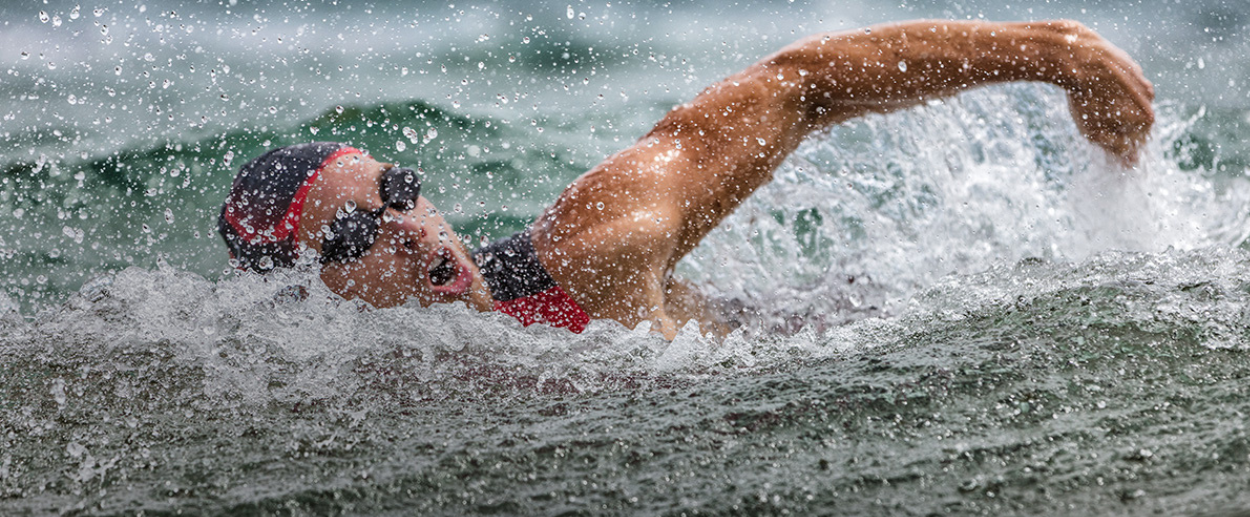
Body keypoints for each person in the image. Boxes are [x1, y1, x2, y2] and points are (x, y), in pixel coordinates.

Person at [218, 20, 1154, 339]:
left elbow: (796, 86)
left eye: (398, 192)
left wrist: (1053, 52)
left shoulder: (590, 254)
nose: (410, 230)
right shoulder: (312, 389)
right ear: (307, 294)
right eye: (350, 238)